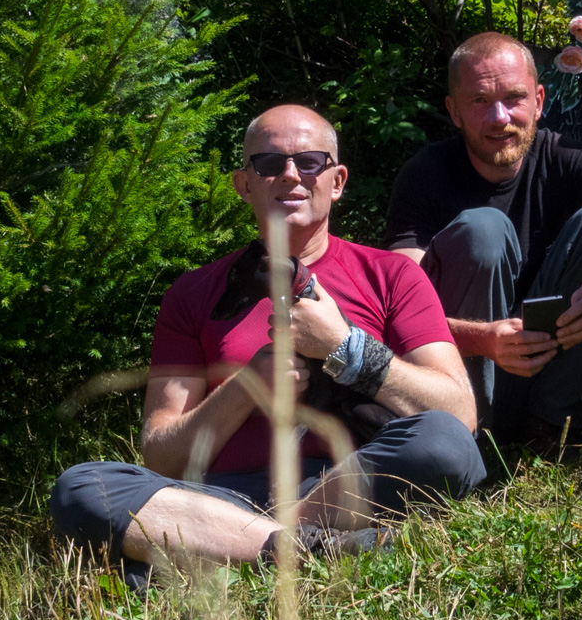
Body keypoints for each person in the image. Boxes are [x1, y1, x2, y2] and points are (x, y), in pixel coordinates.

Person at [50, 105, 483, 584]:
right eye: (269, 164)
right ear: (244, 184)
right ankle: (306, 551)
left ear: (337, 181)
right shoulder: (194, 293)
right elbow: (162, 455)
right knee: (82, 487)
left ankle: (238, 553)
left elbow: (459, 414)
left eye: (310, 162)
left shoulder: (391, 275)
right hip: (224, 497)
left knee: (443, 442)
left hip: (346, 482)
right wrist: (249, 384)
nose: (291, 175)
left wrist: (345, 346)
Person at [385, 33, 582, 453]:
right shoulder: (424, 176)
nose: (500, 117)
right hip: (463, 378)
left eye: (514, 98)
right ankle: (472, 437)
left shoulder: (572, 158)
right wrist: (483, 338)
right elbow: (393, 305)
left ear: (539, 100)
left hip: (548, 375)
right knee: (484, 229)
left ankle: (552, 435)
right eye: (480, 101)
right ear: (454, 111)